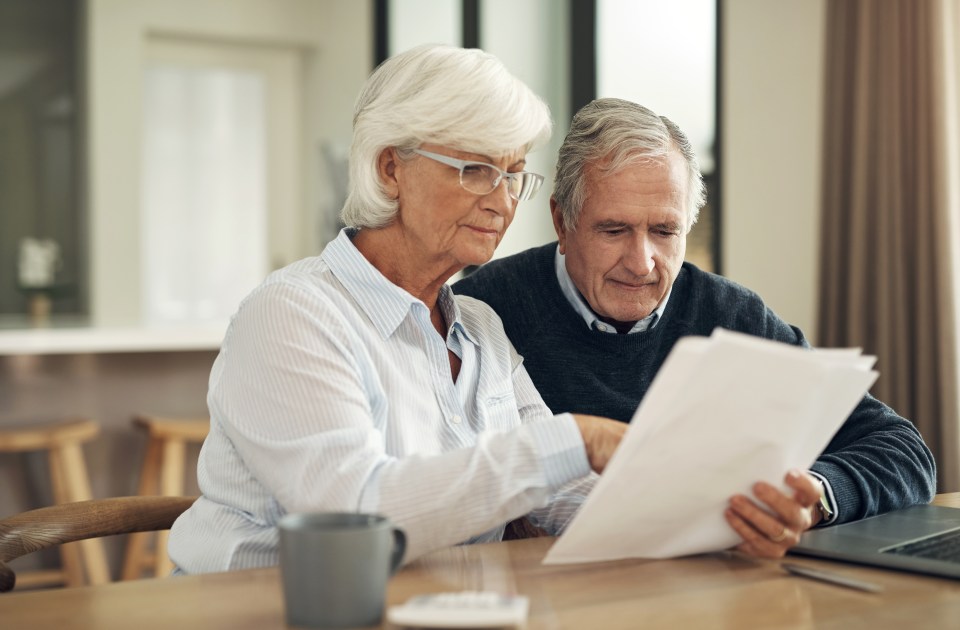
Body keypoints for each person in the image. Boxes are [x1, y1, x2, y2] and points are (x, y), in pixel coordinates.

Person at [166, 45, 629, 574]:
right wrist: (575, 438)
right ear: (391, 169)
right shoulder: (292, 315)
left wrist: (716, 508)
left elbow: (564, 494)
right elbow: (356, 518)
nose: (501, 202)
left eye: (514, 174)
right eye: (476, 169)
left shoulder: (480, 328)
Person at [454, 97, 937, 557]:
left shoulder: (734, 317)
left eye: (665, 232)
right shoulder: (484, 311)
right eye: (614, 230)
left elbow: (905, 452)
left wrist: (817, 497)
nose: (641, 263)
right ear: (562, 220)